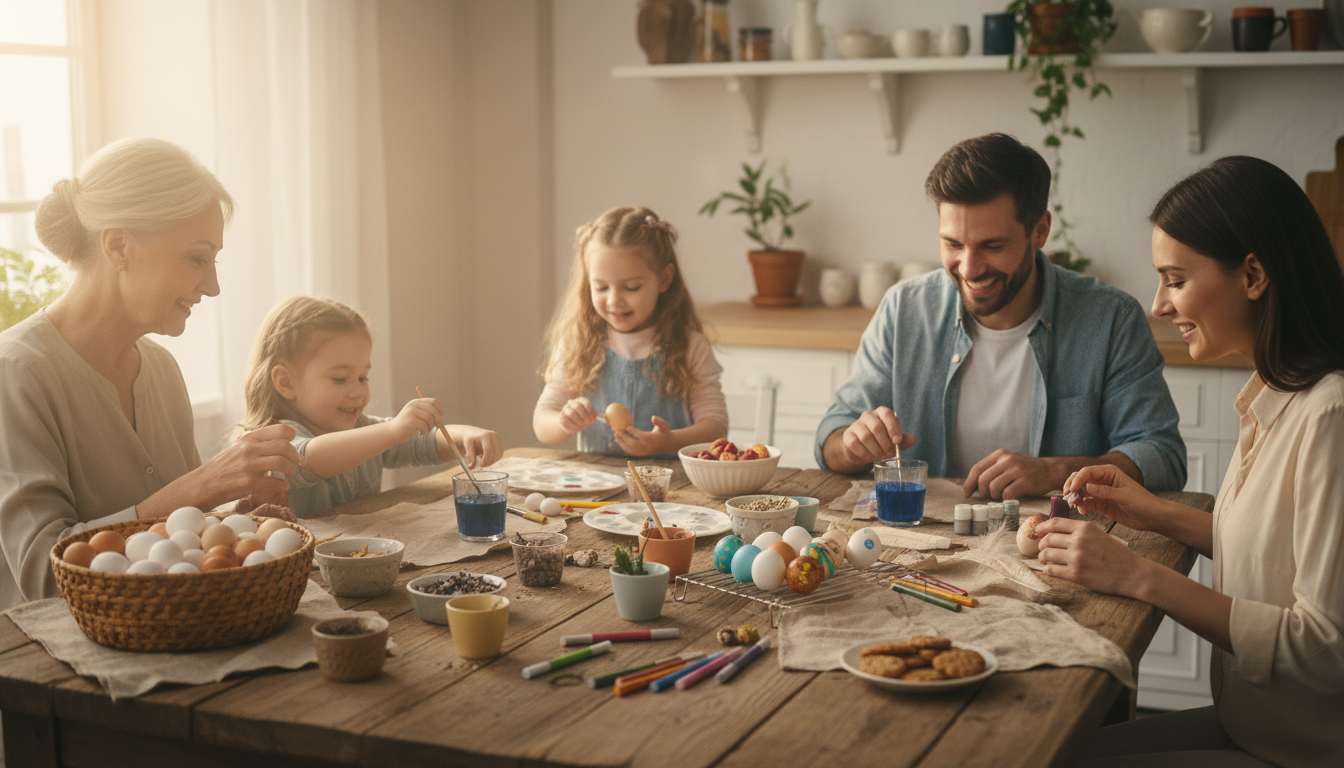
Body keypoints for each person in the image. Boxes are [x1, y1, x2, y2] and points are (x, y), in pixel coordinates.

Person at [1036, 156, 1344, 767]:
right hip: (1246, 726)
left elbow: (1325, 650)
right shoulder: (1275, 393)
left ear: (1253, 274)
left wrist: (1136, 574)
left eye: (1175, 279)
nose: (1158, 304)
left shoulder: (1330, 415)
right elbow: (1277, 553)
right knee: (1048, 752)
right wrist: (1154, 515)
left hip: (1296, 752)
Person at [0, 138, 305, 611]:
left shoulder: (161, 370)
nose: (214, 285)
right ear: (118, 246)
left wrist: (229, 521)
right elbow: (43, 574)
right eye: (197, 258)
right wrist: (199, 487)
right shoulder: (15, 374)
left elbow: (172, 534)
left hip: (158, 631)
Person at [815, 133, 1186, 498]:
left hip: (1062, 548)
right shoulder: (904, 309)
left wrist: (1055, 471)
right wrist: (852, 444)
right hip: (916, 547)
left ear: (1039, 231)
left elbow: (1162, 456)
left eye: (992, 246)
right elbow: (830, 436)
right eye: (953, 245)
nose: (970, 268)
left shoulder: (1110, 319)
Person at [236, 296, 503, 518]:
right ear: (286, 382)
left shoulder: (363, 428)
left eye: (363, 377)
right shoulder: (274, 442)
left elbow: (422, 443)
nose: (357, 391)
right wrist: (391, 431)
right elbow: (309, 460)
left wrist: (467, 435)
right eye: (339, 378)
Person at [534, 206, 728, 458]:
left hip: (672, 490)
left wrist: (667, 441)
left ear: (664, 279)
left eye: (631, 287)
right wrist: (564, 421)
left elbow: (715, 428)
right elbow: (542, 423)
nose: (615, 300)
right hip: (598, 490)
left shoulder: (689, 345)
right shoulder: (578, 342)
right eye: (601, 287)